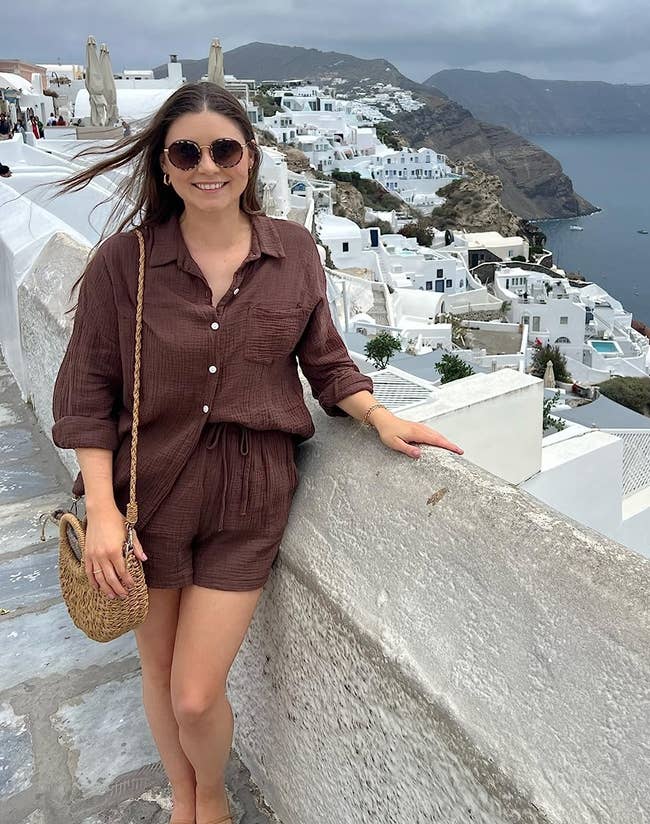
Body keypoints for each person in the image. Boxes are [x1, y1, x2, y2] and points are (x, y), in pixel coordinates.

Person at [52, 82, 463, 824]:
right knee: (157, 670)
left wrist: (377, 416)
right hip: (150, 494)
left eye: (224, 149)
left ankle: (211, 798)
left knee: (194, 693)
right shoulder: (126, 262)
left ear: (250, 157)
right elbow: (88, 390)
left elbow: (325, 360)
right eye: (187, 152)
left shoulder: (294, 252)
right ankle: (186, 802)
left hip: (249, 495)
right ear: (165, 166)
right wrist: (104, 512)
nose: (207, 166)